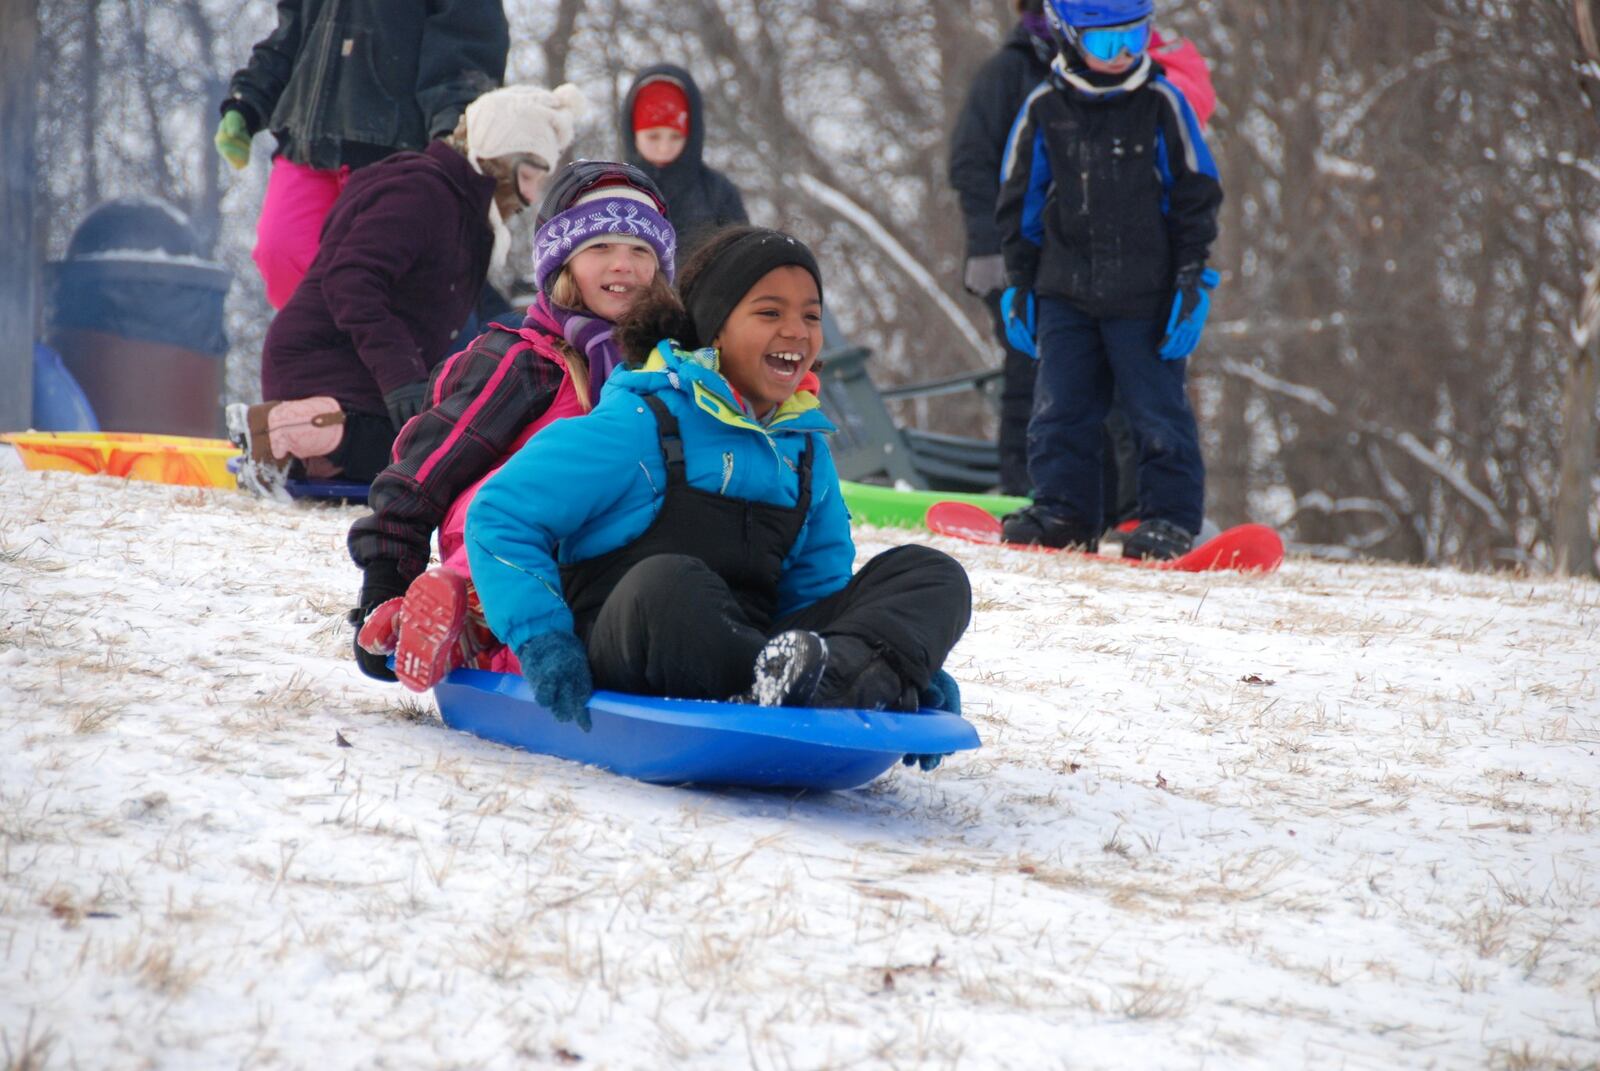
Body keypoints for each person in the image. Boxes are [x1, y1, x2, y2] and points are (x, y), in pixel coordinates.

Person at [463, 226, 972, 730]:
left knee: (932, 575)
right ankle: (809, 690)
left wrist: (899, 660)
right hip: (635, 640)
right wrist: (544, 640)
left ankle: (848, 686)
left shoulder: (805, 452)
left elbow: (816, 594)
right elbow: (502, 512)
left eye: (811, 316)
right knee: (670, 582)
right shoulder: (641, 422)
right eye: (770, 313)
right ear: (715, 328)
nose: (797, 331)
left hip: (770, 658)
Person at [347, 161, 678, 688]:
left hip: (599, 559)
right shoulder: (525, 362)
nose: (624, 266)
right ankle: (441, 620)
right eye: (600, 248)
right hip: (499, 544)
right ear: (562, 262)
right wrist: (385, 580)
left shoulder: (667, 374)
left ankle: (493, 645)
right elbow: (423, 472)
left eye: (641, 251)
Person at [228, 83, 590, 490]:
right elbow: (352, 280)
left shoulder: (462, 214)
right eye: (527, 176)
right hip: (324, 363)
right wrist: (401, 377)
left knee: (440, 453)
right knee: (422, 455)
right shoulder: (420, 192)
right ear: (496, 158)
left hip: (363, 379)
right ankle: (282, 429)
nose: (529, 198)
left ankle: (307, 455)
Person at [948, 0, 1214, 508]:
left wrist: (1190, 275)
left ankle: (1148, 512)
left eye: (1131, 40)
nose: (1119, 55)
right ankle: (1047, 502)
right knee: (1047, 392)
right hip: (1053, 271)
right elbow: (986, 170)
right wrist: (1004, 263)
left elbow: (1191, 192)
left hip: (1140, 280)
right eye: (1103, 42)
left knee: (1146, 400)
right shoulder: (1021, 79)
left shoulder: (1156, 99)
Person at [214, 0, 511, 310]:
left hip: (401, 150)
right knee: (282, 254)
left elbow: (468, 46)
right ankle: (327, 350)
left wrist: (452, 133)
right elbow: (291, 30)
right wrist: (248, 100)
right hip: (307, 144)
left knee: (393, 284)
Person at [620, 65, 749, 256]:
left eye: (675, 137)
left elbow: (743, 257)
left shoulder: (717, 192)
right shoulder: (613, 189)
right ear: (633, 133)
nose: (664, 148)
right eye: (653, 136)